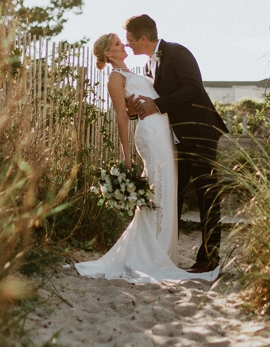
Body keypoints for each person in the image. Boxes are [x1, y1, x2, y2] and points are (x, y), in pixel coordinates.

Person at [74, 33, 218, 284]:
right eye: (119, 43)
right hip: (151, 136)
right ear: (108, 54)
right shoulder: (114, 78)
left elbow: (143, 103)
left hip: (166, 133)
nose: (124, 45)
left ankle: (164, 253)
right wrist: (126, 154)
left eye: (125, 40)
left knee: (167, 189)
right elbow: (121, 116)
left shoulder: (142, 69)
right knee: (158, 186)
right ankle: (152, 253)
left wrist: (134, 107)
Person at [123, 14, 227, 274]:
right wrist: (135, 109)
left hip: (200, 131)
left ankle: (209, 257)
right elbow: (151, 102)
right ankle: (166, 253)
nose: (128, 46)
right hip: (174, 140)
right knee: (172, 195)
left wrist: (157, 104)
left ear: (143, 38)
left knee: (206, 194)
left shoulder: (178, 53)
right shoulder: (148, 67)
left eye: (130, 41)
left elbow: (193, 88)